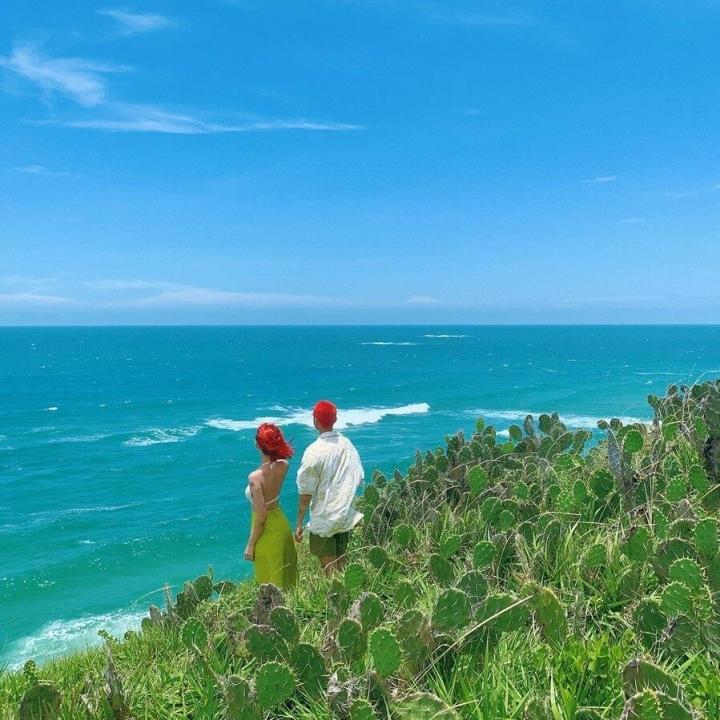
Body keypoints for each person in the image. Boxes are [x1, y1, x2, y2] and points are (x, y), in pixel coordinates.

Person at [295, 400, 364, 576]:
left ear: (315, 421)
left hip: (323, 519)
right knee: (343, 566)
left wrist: (299, 524)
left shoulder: (313, 451)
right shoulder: (347, 444)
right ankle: (351, 598)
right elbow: (359, 476)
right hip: (343, 514)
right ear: (335, 420)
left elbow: (306, 492)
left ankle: (339, 601)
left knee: (330, 573)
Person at [244, 423, 298, 590]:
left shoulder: (255, 478)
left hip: (265, 532)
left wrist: (251, 544)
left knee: (269, 583)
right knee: (286, 579)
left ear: (258, 445)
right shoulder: (284, 465)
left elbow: (261, 516)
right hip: (281, 525)